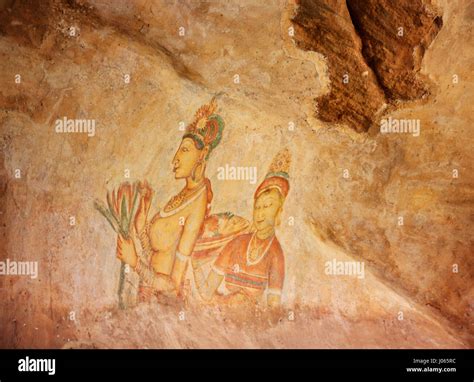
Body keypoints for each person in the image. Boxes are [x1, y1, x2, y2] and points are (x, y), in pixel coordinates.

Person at [116, 98, 227, 297]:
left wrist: (134, 263)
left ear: (202, 156)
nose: (175, 159)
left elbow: (173, 285)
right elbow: (155, 253)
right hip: (148, 293)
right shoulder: (183, 195)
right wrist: (142, 219)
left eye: (184, 150)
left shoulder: (197, 205)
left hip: (164, 303)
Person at [200, 149, 291, 309]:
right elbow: (206, 292)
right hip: (220, 320)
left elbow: (273, 309)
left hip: (249, 328)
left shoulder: (276, 254)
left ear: (279, 211)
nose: (260, 213)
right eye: (258, 207)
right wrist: (195, 266)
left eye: (268, 205)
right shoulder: (237, 243)